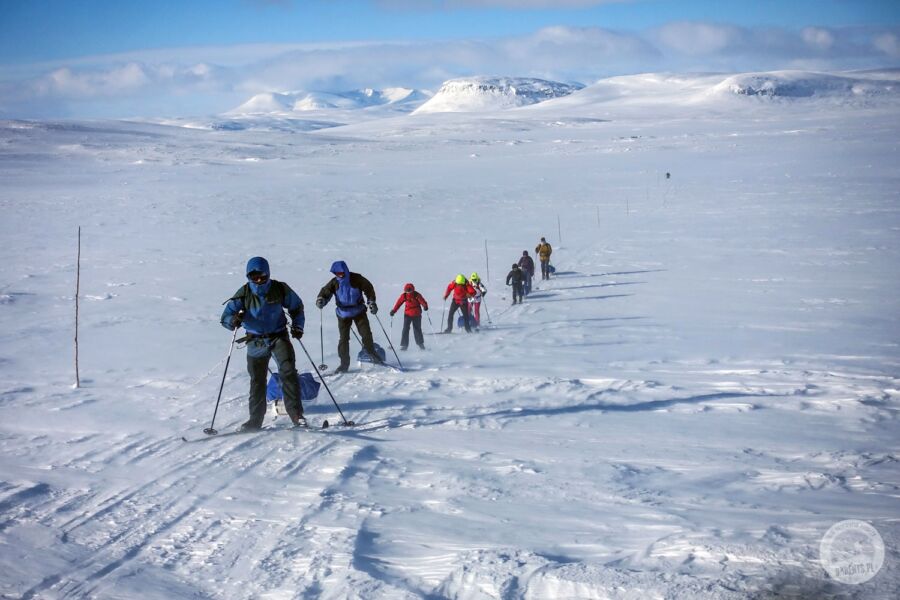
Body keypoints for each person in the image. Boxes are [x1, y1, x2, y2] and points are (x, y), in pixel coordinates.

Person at [221, 256, 307, 431]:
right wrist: (234, 320)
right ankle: (255, 421)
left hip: (278, 337)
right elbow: (225, 318)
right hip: (255, 341)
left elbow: (297, 307)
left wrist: (298, 326)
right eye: (254, 277)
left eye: (262, 276)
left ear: (268, 274)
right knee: (257, 381)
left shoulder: (280, 289)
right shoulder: (243, 293)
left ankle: (296, 416)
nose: (259, 280)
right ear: (248, 276)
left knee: (288, 372)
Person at [315, 260, 381, 372]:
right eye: (337, 273)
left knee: (366, 335)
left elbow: (369, 288)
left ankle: (373, 355)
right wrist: (321, 299)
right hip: (343, 314)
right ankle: (344, 365)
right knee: (344, 339)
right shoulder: (334, 282)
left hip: (359, 311)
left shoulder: (357, 279)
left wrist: (371, 302)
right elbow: (325, 292)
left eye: (341, 273)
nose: (339, 275)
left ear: (345, 270)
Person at [389, 283, 429, 350]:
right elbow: (398, 303)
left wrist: (425, 306)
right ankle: (404, 345)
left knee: (417, 329)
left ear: (413, 290)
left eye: (409, 291)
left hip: (417, 314)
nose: (408, 292)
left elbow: (422, 301)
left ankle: (420, 344)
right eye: (407, 291)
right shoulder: (404, 296)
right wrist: (394, 310)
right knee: (405, 329)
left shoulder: (417, 295)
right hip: (407, 315)